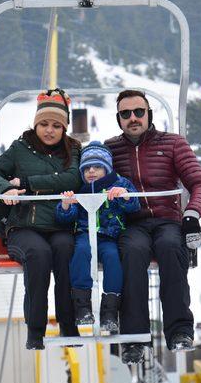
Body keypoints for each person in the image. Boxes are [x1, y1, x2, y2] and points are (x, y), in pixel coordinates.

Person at [105, 90, 201, 363]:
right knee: (133, 252)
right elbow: (91, 178)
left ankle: (179, 331)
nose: (133, 118)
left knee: (170, 247)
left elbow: (200, 184)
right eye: (125, 114)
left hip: (167, 219)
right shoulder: (110, 150)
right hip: (133, 222)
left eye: (138, 112)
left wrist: (191, 214)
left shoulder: (173, 144)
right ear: (118, 119)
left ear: (148, 114)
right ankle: (135, 338)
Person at [0, 89, 82, 350]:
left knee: (64, 251)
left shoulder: (73, 149)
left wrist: (26, 183)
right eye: (44, 124)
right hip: (25, 225)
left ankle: (68, 326)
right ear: (36, 124)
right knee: (38, 254)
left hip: (60, 223)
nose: (49, 130)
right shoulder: (20, 148)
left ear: (64, 128)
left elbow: (71, 179)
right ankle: (35, 330)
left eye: (56, 125)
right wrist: (5, 188)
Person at [56, 142, 140, 333]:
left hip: (109, 237)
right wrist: (66, 205)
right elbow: (65, 218)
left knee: (112, 258)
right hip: (85, 234)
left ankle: (110, 310)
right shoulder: (80, 189)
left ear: (107, 168)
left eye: (97, 167)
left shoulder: (119, 184)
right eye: (86, 168)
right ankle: (82, 306)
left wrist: (125, 196)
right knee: (81, 252)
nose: (91, 171)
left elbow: (135, 205)